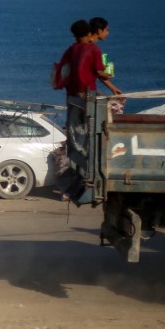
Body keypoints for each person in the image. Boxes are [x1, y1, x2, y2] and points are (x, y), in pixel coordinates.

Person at [54, 19, 121, 200]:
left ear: (75, 35)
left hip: (73, 95)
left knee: (76, 131)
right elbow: (99, 72)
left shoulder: (71, 49)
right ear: (95, 31)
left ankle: (78, 163)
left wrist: (112, 87)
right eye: (106, 30)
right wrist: (108, 76)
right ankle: (96, 160)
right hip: (88, 96)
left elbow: (64, 68)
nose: (107, 33)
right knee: (98, 126)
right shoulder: (93, 49)